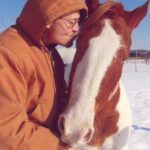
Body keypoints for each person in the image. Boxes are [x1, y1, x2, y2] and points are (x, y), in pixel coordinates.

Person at [0, 0, 87, 150]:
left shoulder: (51, 54)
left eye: (78, 22)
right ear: (47, 18)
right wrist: (59, 147)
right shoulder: (8, 53)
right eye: (71, 22)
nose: (76, 29)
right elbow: (6, 131)